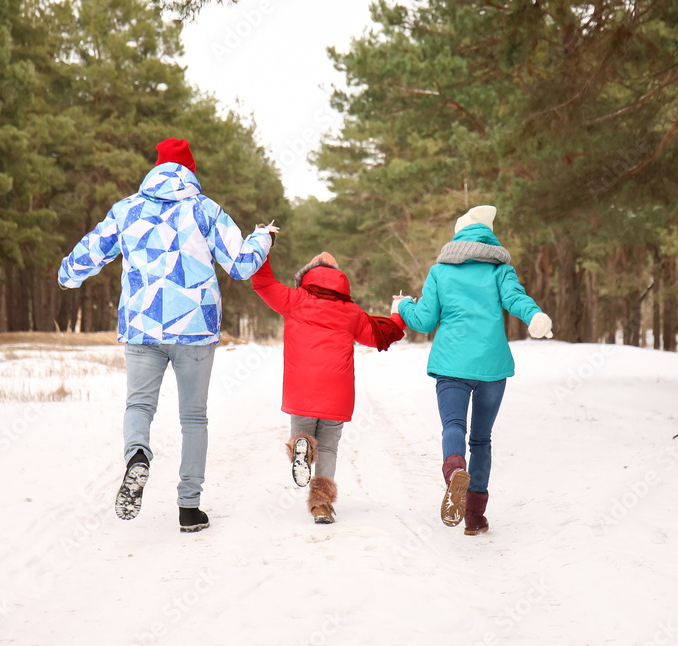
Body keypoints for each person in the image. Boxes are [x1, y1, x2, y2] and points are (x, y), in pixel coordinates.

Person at [58, 137, 278, 533]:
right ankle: (189, 508)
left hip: (143, 327)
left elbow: (80, 261)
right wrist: (264, 236)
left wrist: (67, 275)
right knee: (193, 419)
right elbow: (242, 266)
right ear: (190, 171)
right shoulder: (205, 209)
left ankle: (138, 456)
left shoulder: (126, 209)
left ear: (156, 168)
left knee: (139, 406)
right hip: (195, 329)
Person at [395, 205, 552, 535]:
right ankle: (475, 518)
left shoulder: (440, 271)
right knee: (481, 440)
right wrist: (535, 317)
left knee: (453, 425)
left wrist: (403, 305)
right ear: (488, 237)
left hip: (451, 365)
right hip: (492, 367)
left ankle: (454, 473)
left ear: (458, 233)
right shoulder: (500, 270)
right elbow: (516, 299)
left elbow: (423, 321)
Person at [251, 251, 406, 523]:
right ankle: (321, 504)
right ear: (339, 279)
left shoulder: (293, 299)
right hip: (338, 391)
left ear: (308, 273)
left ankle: (302, 443)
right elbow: (382, 334)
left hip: (302, 389)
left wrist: (262, 247)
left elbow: (263, 283)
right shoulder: (351, 312)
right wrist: (398, 312)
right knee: (330, 447)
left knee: (304, 435)